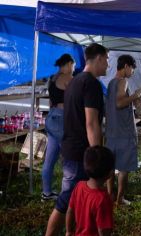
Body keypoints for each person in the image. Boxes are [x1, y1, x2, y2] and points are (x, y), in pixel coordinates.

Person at [45, 43, 109, 236]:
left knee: (73, 200)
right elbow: (91, 123)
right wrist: (98, 157)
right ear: (98, 58)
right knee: (65, 200)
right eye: (106, 60)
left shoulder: (74, 81)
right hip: (81, 152)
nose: (107, 64)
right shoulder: (90, 83)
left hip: (71, 147)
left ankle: (69, 232)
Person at [105, 54, 141, 206]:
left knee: (110, 166)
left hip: (112, 131)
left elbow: (116, 104)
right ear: (126, 66)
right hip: (124, 133)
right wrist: (135, 96)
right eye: (132, 68)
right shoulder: (123, 81)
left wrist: (133, 102)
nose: (132, 72)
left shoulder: (110, 83)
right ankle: (120, 199)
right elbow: (120, 103)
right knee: (124, 168)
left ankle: (109, 196)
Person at [42, 54, 75, 201]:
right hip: (63, 119)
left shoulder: (52, 79)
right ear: (68, 64)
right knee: (68, 158)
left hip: (51, 117)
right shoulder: (69, 79)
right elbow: (75, 102)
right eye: (73, 66)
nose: (73, 69)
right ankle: (67, 193)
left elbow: (50, 103)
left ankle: (46, 193)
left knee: (49, 160)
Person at [66, 146, 115, 236]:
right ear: (109, 173)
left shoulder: (79, 186)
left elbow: (70, 210)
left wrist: (68, 231)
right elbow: (103, 231)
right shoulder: (103, 199)